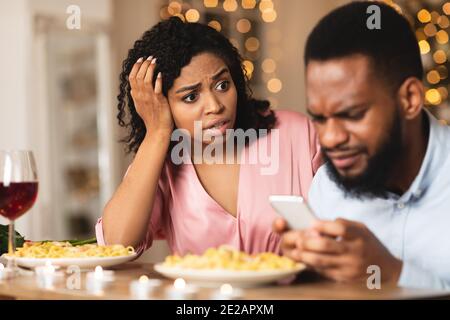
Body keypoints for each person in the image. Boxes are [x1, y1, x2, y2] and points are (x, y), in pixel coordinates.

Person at [96, 17, 322, 257]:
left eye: (223, 85)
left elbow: (354, 226)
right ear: (161, 105)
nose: (215, 105)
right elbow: (115, 245)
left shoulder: (297, 133)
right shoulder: (161, 162)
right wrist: (157, 134)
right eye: (191, 97)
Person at [274, 1, 450, 289]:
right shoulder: (328, 185)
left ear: (410, 99)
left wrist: (392, 275)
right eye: (319, 118)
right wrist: (303, 274)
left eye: (352, 115)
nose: (330, 138)